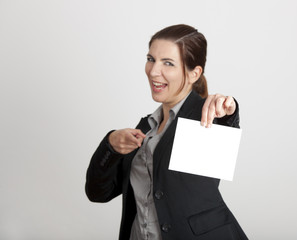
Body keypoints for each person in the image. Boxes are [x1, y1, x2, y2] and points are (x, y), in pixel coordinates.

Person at [85, 24, 248, 240]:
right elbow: (98, 193)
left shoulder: (202, 119)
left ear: (194, 73)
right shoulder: (144, 129)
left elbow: (222, 125)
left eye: (168, 63)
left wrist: (228, 109)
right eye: (151, 59)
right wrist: (111, 145)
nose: (153, 71)